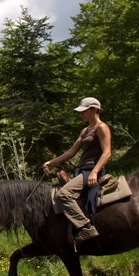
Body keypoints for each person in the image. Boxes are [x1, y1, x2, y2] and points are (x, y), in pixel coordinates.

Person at [43, 97, 112, 243]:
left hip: (91, 170)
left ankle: (85, 227)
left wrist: (95, 172)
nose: (81, 114)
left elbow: (107, 152)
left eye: (84, 111)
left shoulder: (102, 127)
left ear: (94, 109)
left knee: (63, 195)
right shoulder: (85, 130)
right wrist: (52, 162)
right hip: (82, 170)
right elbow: (71, 152)